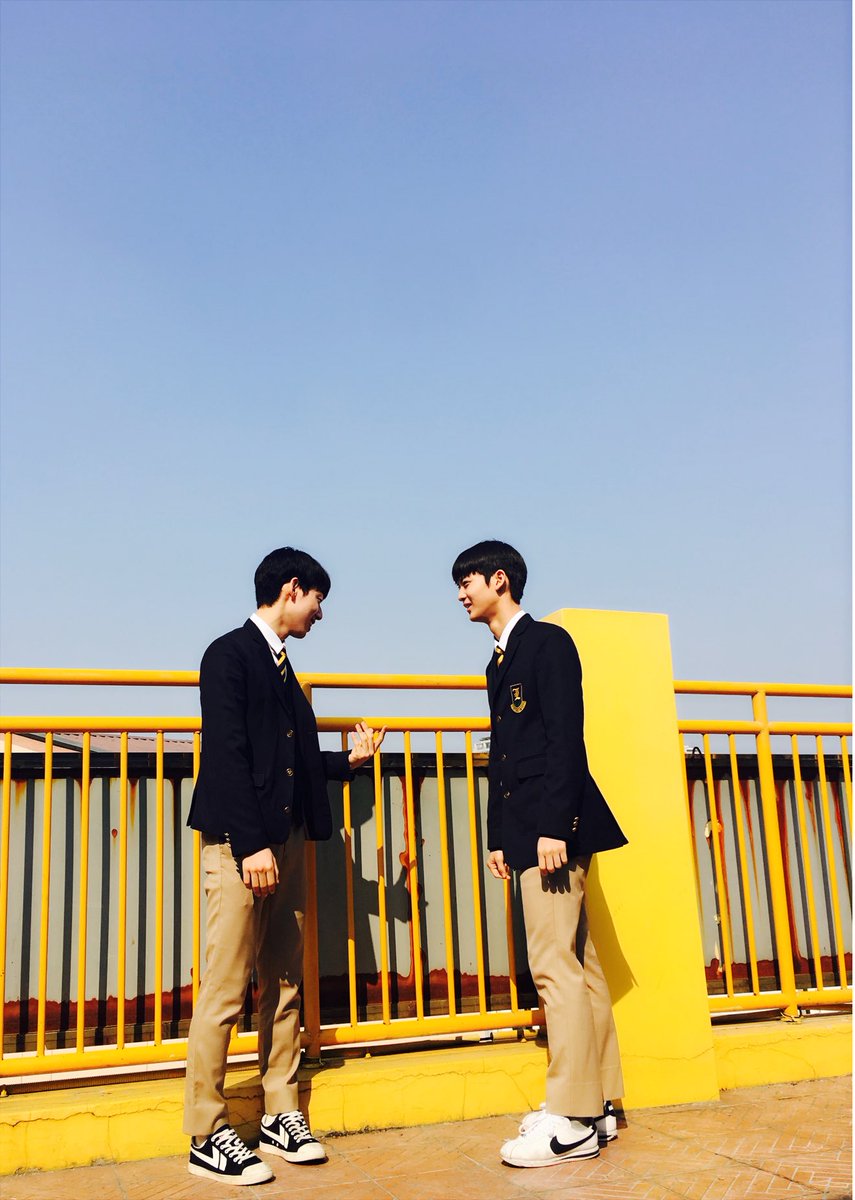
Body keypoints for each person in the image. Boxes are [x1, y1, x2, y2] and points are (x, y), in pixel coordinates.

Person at [184, 546, 384, 1185]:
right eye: (318, 600)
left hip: (286, 844)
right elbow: (228, 756)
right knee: (225, 988)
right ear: (293, 589)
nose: (320, 613)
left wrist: (346, 762)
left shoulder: (283, 668)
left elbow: (288, 759)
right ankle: (206, 1132)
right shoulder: (228, 656)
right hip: (243, 847)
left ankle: (279, 1112)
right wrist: (251, 845)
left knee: (285, 981)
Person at [452, 539, 627, 1169]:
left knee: (554, 967)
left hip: (553, 833)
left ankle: (572, 1119)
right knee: (581, 969)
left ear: (499, 580)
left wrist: (553, 827)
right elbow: (502, 758)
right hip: (527, 830)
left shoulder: (548, 643)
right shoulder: (498, 662)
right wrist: (499, 836)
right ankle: (600, 1104)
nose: (461, 594)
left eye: (467, 581)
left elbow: (565, 741)